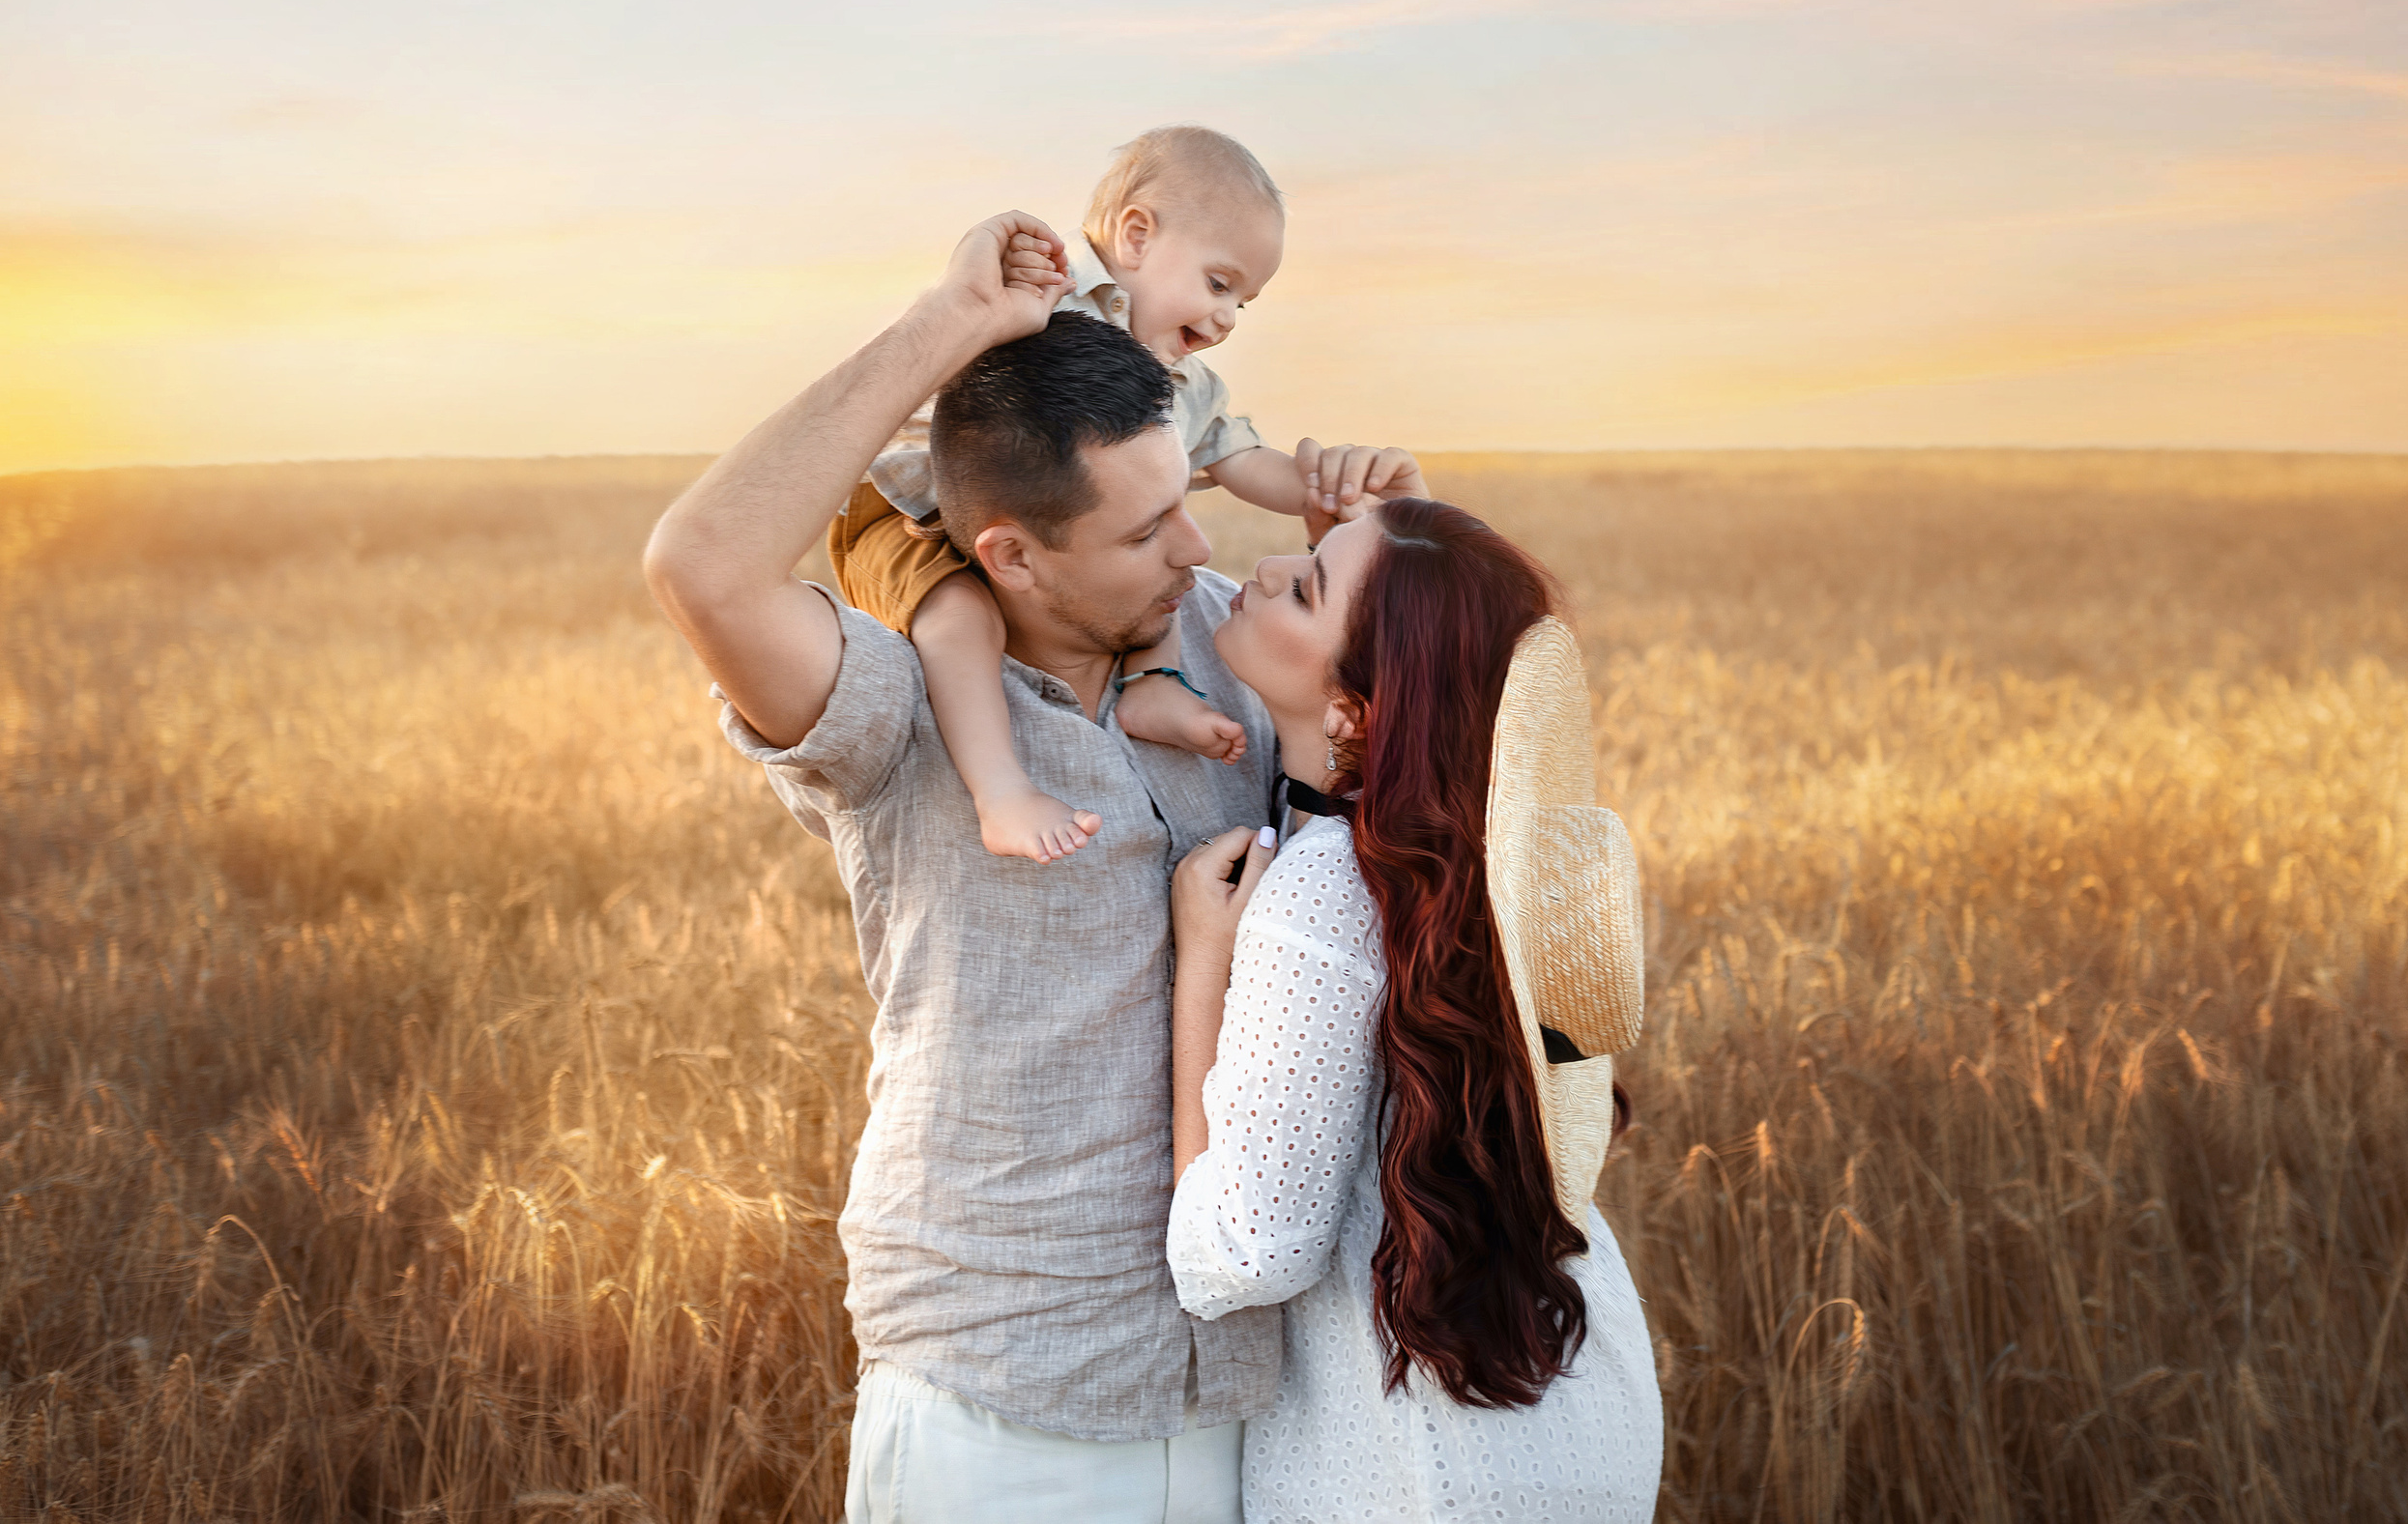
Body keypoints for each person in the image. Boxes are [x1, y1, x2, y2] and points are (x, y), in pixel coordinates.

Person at [642, 210, 1423, 1523]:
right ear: (1008, 549)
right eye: (1142, 534)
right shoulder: (894, 708)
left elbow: (1450, 776)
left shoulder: (1238, 643)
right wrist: (953, 324)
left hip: (1250, 1387)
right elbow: (701, 568)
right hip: (1004, 1391)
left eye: (1187, 505)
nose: (1194, 552)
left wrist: (1386, 533)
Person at [1164, 498, 1667, 1520]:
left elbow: (1249, 1248)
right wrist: (1371, 564)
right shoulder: (1517, 864)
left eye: (1304, 583)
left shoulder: (1317, 893)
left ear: (1353, 713)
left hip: (1410, 1461)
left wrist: (1200, 972)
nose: (1261, 569)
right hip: (1581, 1398)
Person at [831, 126, 1422, 862]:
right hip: (910, 506)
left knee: (1162, 566)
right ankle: (999, 791)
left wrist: (1330, 482)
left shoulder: (1178, 382)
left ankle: (1152, 683)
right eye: (1218, 283)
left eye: (1245, 301)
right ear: (1136, 235)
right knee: (957, 616)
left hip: (1036, 530)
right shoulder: (1048, 295)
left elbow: (1240, 459)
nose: (1229, 318)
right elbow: (959, 331)